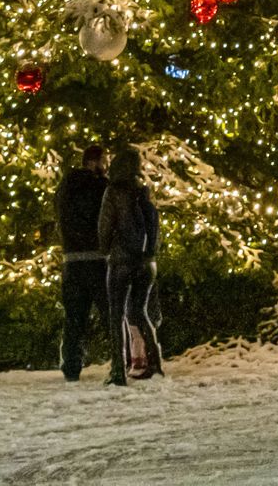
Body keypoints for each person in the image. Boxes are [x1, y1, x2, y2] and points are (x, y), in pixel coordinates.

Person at [97, 147, 162, 385]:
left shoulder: (113, 192)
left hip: (121, 260)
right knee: (138, 311)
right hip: (145, 262)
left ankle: (117, 371)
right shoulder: (144, 192)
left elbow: (105, 226)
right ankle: (154, 363)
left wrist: (105, 248)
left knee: (117, 315)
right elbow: (154, 225)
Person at [56, 144, 110, 381]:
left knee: (74, 318)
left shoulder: (64, 189)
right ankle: (121, 360)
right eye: (104, 160)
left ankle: (71, 366)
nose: (105, 165)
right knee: (110, 314)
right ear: (94, 162)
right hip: (96, 260)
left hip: (72, 261)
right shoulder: (100, 187)